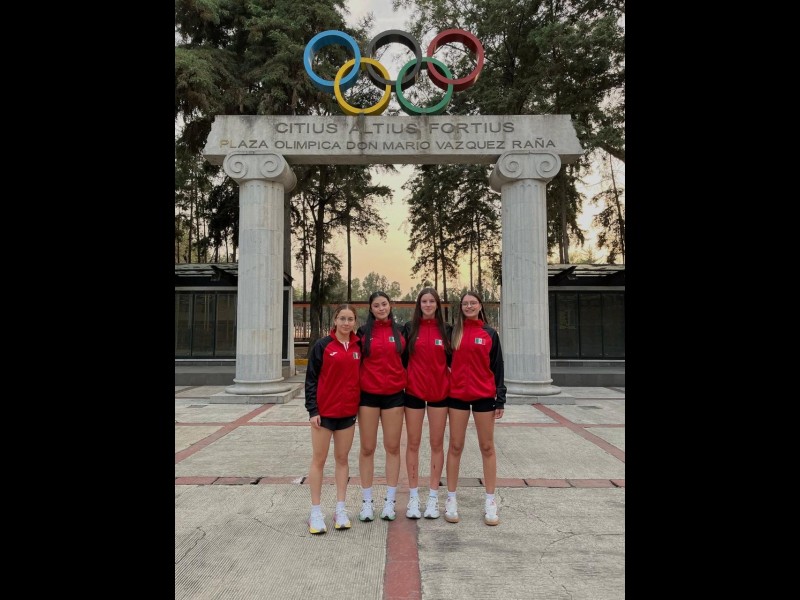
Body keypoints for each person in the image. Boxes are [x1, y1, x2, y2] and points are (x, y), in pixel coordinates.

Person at [444, 291, 506, 526]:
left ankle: (490, 501)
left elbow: (498, 366)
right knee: (455, 446)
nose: (469, 306)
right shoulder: (453, 333)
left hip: (484, 397)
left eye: (473, 303)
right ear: (461, 307)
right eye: (465, 303)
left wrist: (500, 398)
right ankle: (451, 499)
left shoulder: (489, 334)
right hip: (457, 396)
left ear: (480, 306)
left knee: (487, 446)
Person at [304, 304, 362, 534]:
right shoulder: (323, 346)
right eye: (342, 318)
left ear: (355, 322)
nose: (346, 323)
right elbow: (311, 379)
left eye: (350, 319)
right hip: (324, 414)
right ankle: (315, 512)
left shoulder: (359, 346)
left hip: (347, 413)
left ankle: (340, 509)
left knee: (342, 459)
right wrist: (313, 410)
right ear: (335, 320)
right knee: (319, 460)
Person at [401, 287, 452, 519]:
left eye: (432, 301)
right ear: (419, 304)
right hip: (413, 393)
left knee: (436, 444)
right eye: (424, 301)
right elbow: (402, 360)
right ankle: (413, 497)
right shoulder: (409, 329)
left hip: (440, 395)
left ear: (437, 305)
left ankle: (433, 497)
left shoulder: (447, 330)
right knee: (413, 443)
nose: (428, 305)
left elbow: (454, 361)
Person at [356, 291, 407, 522]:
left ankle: (390, 501)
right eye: (376, 305)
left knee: (392, 447)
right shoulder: (363, 333)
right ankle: (367, 502)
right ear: (371, 309)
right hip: (368, 396)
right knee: (367, 448)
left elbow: (406, 360)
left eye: (384, 304)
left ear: (390, 306)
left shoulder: (401, 332)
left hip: (394, 396)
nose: (381, 308)